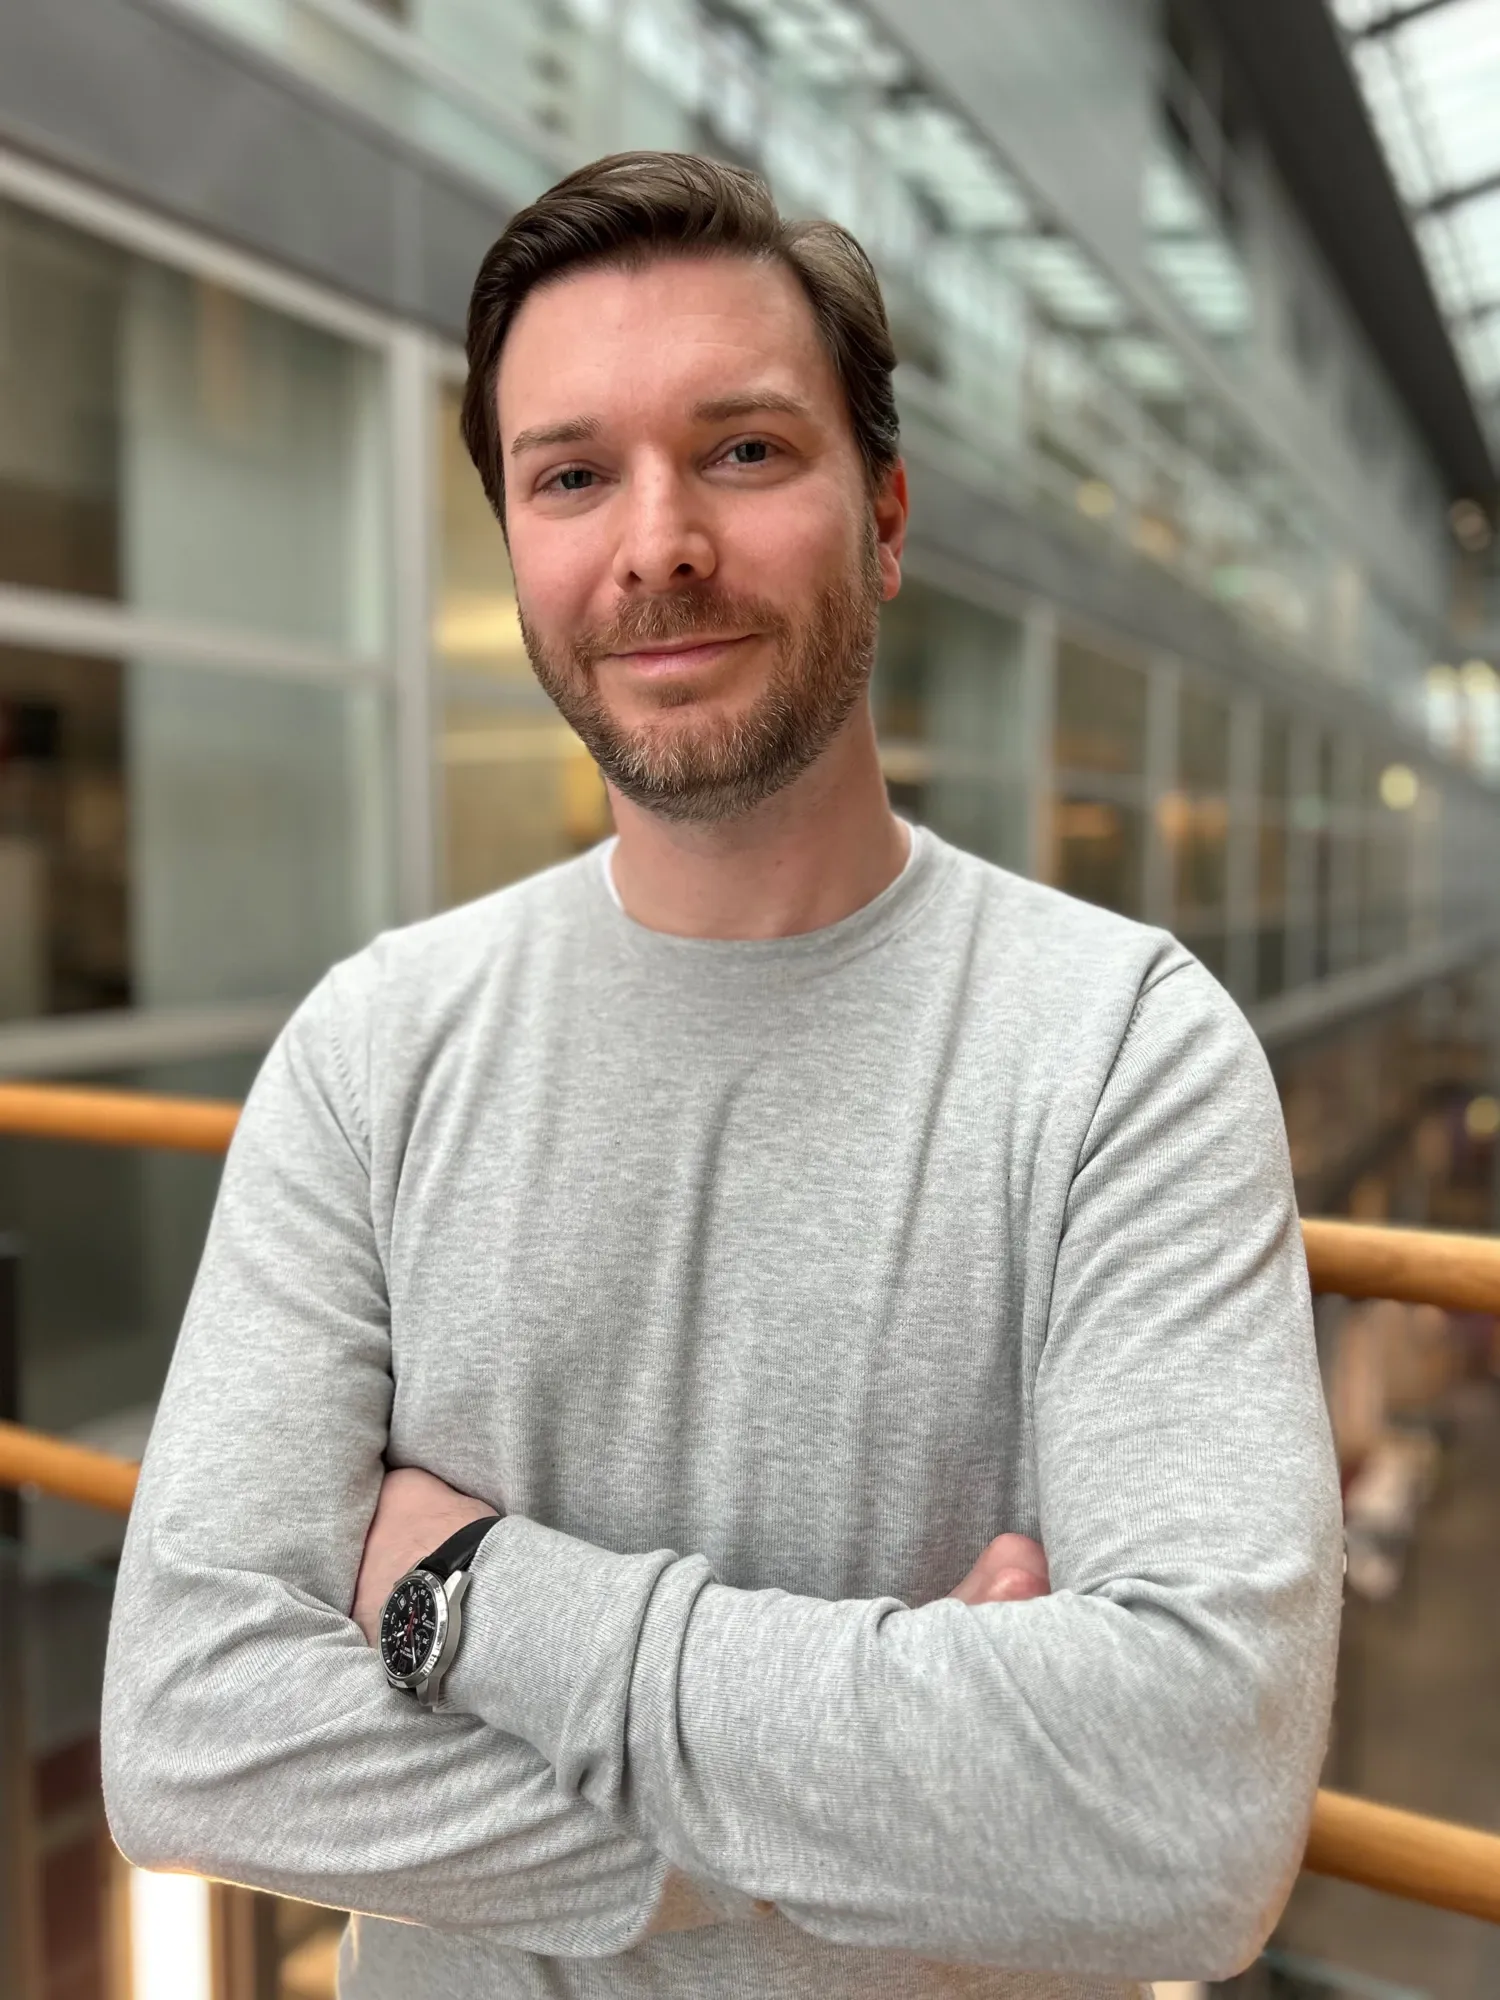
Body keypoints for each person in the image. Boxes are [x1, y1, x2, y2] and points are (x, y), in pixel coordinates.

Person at [102, 152, 1344, 2000]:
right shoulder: (372, 1056)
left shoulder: (1123, 1053)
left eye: (746, 452)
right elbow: (193, 1732)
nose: (655, 541)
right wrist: (898, 1811)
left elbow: (1187, 1815)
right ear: (515, 537)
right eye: (573, 473)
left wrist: (474, 1602)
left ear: (889, 514)